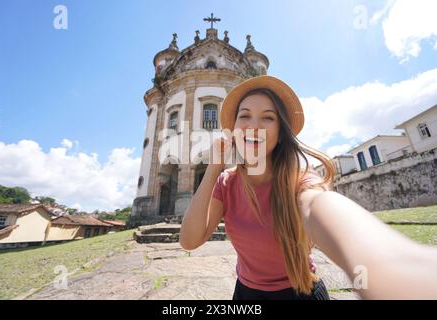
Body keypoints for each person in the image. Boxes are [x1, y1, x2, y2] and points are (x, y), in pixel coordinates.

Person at [179, 75, 437, 300]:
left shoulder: (298, 179)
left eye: (267, 118)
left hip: (302, 292)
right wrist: (214, 168)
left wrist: (386, 262)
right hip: (246, 295)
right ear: (233, 129)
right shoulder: (227, 183)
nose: (253, 125)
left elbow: (318, 206)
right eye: (244, 116)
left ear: (281, 133)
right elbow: (190, 240)